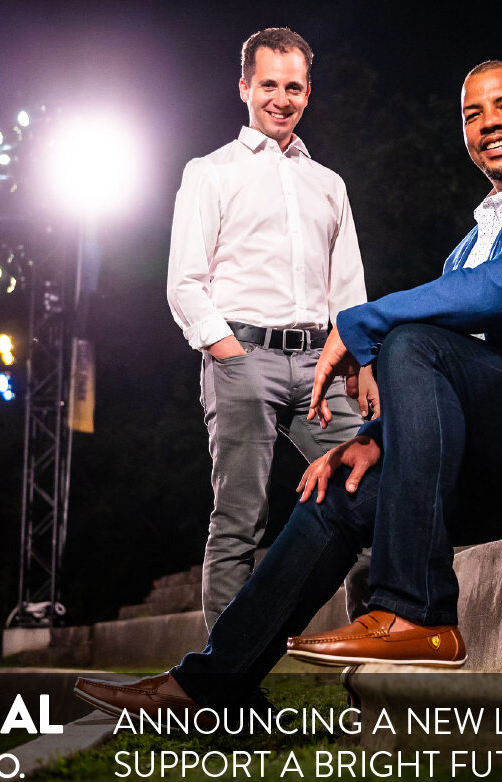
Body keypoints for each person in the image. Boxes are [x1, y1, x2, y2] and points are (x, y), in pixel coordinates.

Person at [76, 60, 502, 716]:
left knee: (413, 339)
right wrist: (375, 440)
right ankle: (210, 685)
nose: (490, 125)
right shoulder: (470, 246)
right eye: (473, 115)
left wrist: (361, 321)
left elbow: (501, 294)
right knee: (341, 488)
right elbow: (462, 372)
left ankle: (414, 612)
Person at [166, 27, 378, 631]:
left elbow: (349, 289)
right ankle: (226, 688)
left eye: (292, 87)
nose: (280, 98)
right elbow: (184, 281)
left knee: (369, 495)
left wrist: (361, 362)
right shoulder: (210, 172)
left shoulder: (329, 183)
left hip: (322, 364)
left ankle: (374, 653)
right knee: (238, 522)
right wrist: (228, 353)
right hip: (243, 357)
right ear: (244, 87)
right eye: (268, 85)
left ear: (307, 93)